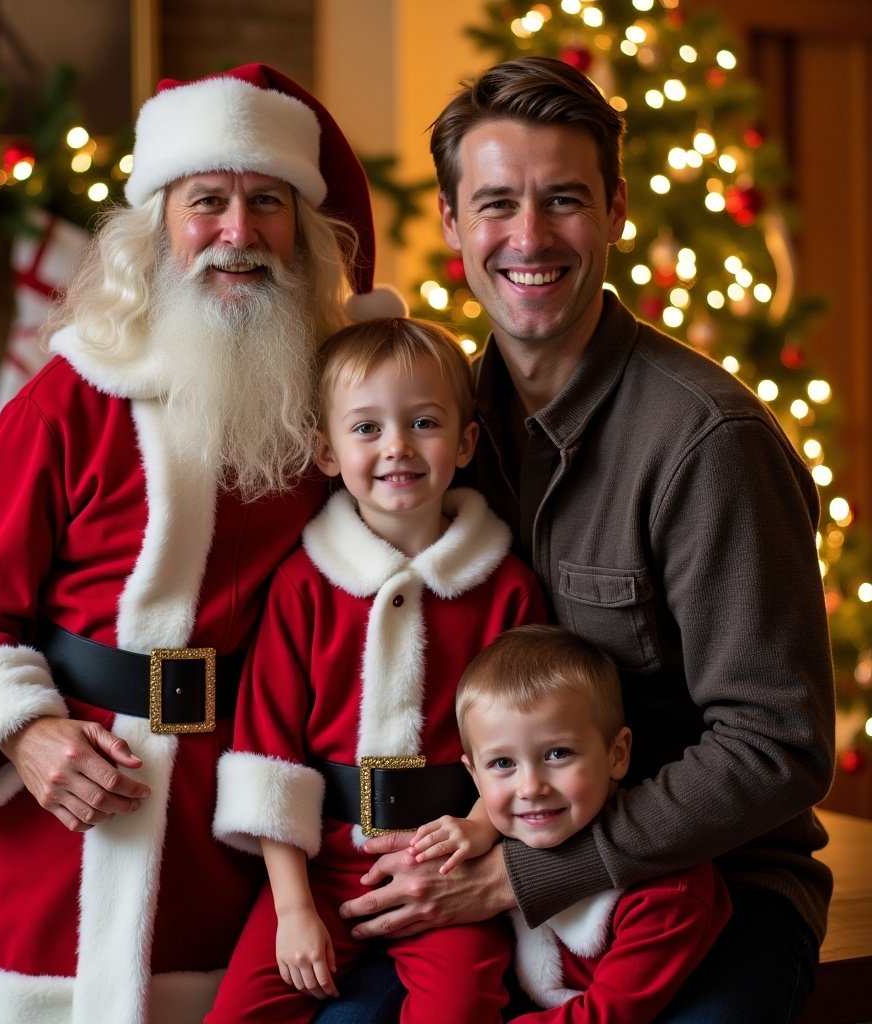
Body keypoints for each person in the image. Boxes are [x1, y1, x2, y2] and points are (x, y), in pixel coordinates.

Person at [0, 63, 407, 1024]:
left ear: (302, 232)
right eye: (206, 201)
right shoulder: (65, 402)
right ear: (158, 228)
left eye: (267, 202)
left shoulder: (337, 420)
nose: (237, 231)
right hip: (72, 812)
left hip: (245, 819)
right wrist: (26, 731)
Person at [339, 56, 836, 1022]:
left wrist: (532, 871)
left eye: (563, 200)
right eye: (494, 204)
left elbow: (776, 745)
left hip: (709, 886)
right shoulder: (432, 432)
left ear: (613, 209)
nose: (528, 238)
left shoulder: (706, 444)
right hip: (484, 864)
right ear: (451, 222)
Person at [206, 316, 547, 1023]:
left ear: (466, 441)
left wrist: (483, 830)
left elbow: (529, 739)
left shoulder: (506, 587)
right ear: (326, 451)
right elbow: (268, 756)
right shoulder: (304, 584)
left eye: (423, 422)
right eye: (367, 429)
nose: (397, 447)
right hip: (322, 864)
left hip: (449, 859)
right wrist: (293, 907)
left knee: (460, 1006)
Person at [412, 624, 731, 1022]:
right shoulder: (491, 842)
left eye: (558, 754)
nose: (531, 787)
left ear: (617, 754)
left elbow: (606, 1015)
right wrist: (479, 826)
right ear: (474, 775)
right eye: (502, 763)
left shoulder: (670, 895)